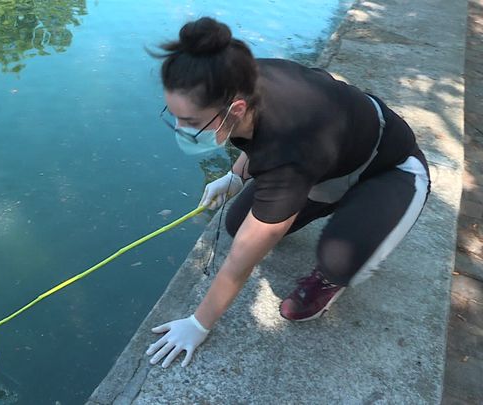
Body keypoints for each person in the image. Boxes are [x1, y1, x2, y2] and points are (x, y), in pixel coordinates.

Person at [145, 17, 431, 369]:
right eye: (174, 116)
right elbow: (255, 137)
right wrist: (234, 177)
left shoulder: (289, 157)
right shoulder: (237, 77)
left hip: (390, 170)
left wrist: (198, 324)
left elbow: (239, 264)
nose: (179, 128)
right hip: (329, 158)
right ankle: (332, 196)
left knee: (336, 260)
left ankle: (332, 273)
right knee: (237, 224)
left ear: (235, 109)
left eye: (190, 122)